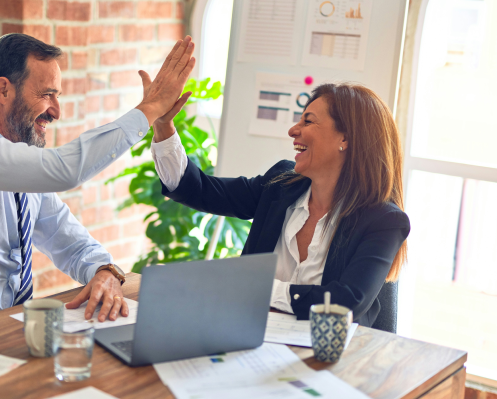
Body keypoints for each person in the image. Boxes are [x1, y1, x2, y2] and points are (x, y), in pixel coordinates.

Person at [0, 33, 195, 334]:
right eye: (47, 94)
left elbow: (71, 242)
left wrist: (105, 271)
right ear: (4, 91)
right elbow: (64, 170)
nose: (56, 111)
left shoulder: (24, 176)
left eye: (57, 96)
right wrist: (150, 109)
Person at [150, 83, 410, 327]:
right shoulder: (280, 185)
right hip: (250, 339)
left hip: (330, 360)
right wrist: (163, 126)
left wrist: (257, 288)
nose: (293, 130)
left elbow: (345, 303)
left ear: (345, 139)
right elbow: (199, 190)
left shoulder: (384, 221)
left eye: (308, 121)